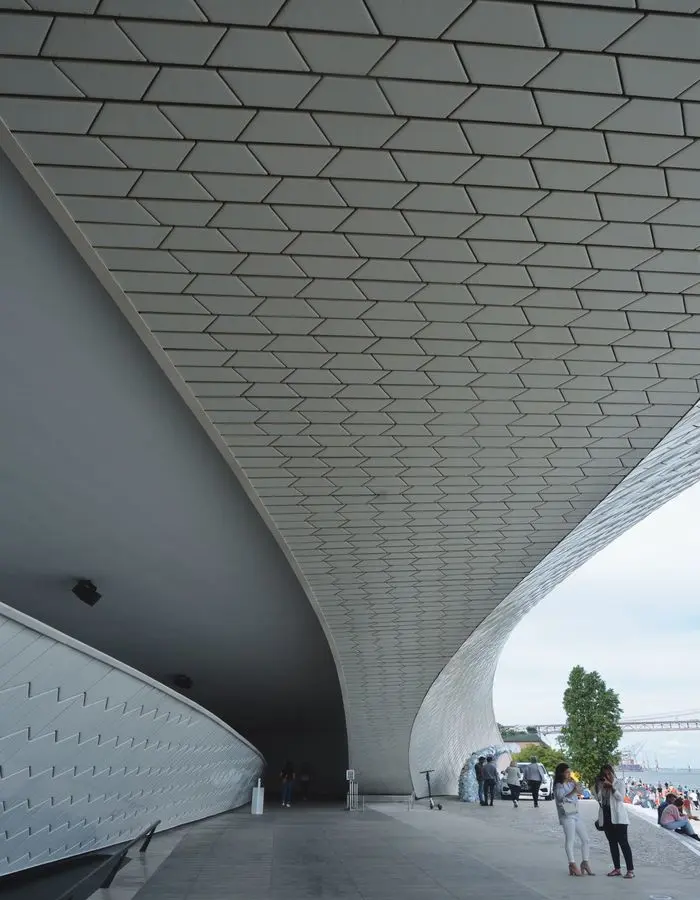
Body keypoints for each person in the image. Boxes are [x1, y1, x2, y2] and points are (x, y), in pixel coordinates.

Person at [553, 763, 594, 877]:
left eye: (569, 772)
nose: (569, 774)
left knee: (585, 839)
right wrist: (572, 791)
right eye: (566, 772)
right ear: (561, 773)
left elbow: (580, 792)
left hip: (575, 812)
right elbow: (561, 798)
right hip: (566, 813)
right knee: (570, 839)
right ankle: (572, 863)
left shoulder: (571, 783)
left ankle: (585, 862)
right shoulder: (558, 785)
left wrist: (575, 784)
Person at [596, 764, 634, 879]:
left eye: (609, 773)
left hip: (619, 818)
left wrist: (612, 788)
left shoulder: (619, 783)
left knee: (624, 844)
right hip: (607, 817)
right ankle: (617, 868)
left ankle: (630, 870)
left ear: (613, 773)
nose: (607, 776)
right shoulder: (602, 784)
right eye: (605, 774)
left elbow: (621, 798)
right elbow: (598, 799)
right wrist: (600, 786)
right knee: (612, 844)